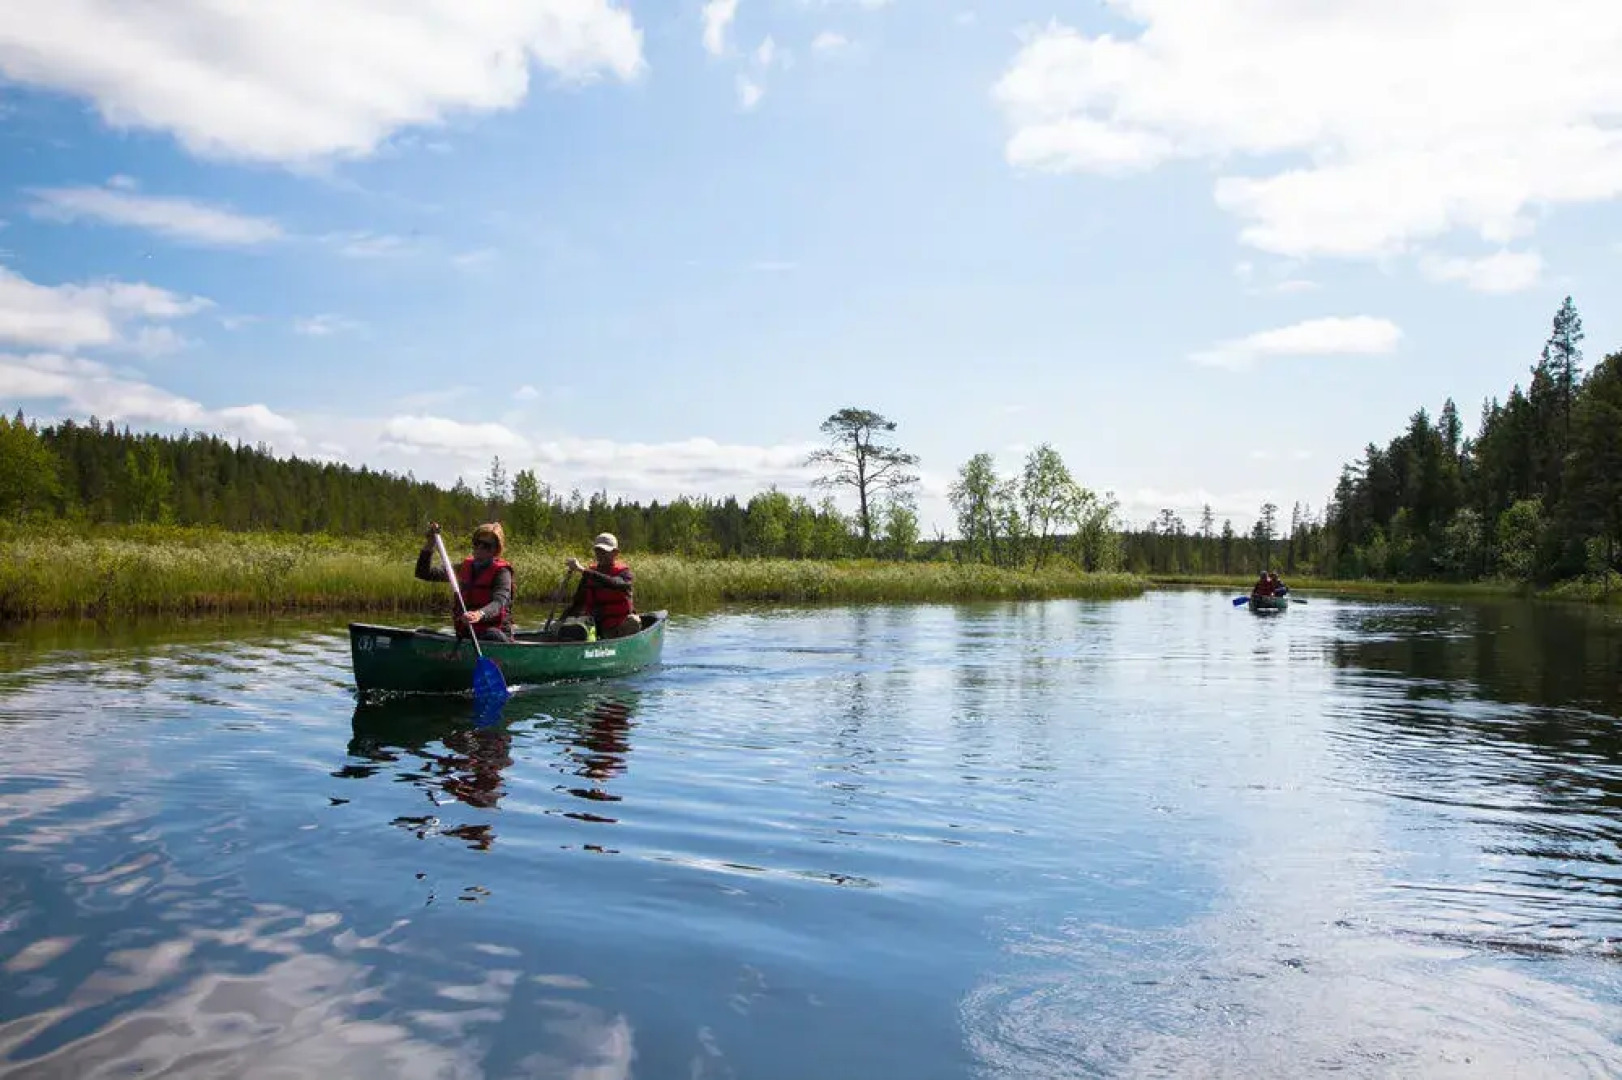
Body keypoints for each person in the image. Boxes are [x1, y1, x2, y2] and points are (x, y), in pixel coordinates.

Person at [415, 521, 515, 643]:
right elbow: (424, 573)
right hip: (467, 634)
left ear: (496, 549)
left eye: (486, 545)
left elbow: (499, 603)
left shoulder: (502, 572)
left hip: (495, 635)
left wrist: (479, 614)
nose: (480, 548)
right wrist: (430, 544)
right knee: (420, 633)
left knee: (491, 634)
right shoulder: (462, 568)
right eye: (477, 543)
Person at [562, 532, 641, 640]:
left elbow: (616, 583)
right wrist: (561, 622)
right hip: (595, 623)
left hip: (618, 625)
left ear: (615, 553)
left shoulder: (624, 574)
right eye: (598, 551)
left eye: (604, 552)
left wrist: (583, 570)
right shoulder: (589, 574)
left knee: (633, 622)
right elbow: (578, 603)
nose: (600, 555)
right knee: (571, 629)